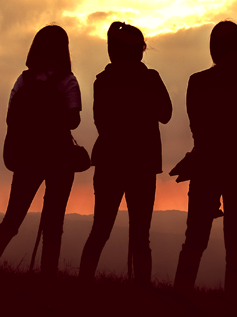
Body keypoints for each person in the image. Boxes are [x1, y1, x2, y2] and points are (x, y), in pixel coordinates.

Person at [172, 21, 237, 295]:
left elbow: (196, 124)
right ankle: (234, 302)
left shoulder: (197, 82)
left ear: (214, 50)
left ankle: (180, 297)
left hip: (206, 166)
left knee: (194, 239)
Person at [0, 25, 83, 275]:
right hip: (59, 158)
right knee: (53, 225)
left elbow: (11, 118)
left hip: (27, 158)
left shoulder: (23, 80)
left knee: (12, 219)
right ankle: (48, 278)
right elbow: (74, 121)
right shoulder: (67, 81)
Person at [78, 22, 172, 283]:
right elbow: (166, 114)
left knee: (100, 229)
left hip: (109, 161)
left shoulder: (102, 81)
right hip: (143, 163)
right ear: (139, 51)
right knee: (141, 233)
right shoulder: (150, 78)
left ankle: (83, 283)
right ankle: (142, 289)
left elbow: (101, 123)